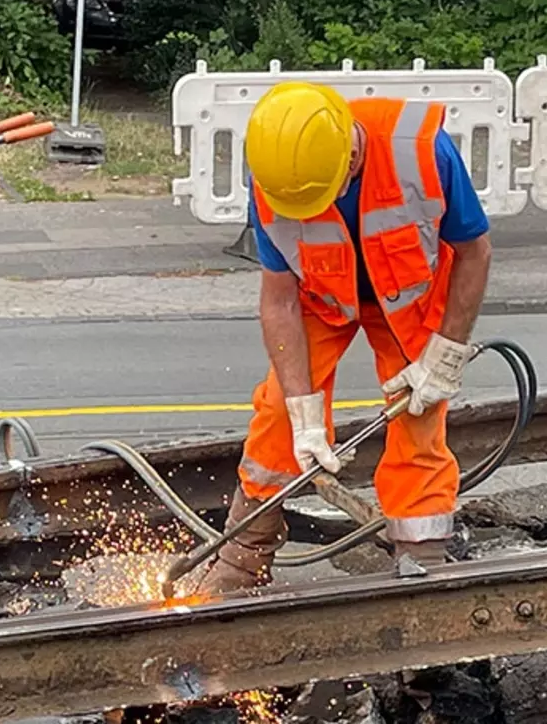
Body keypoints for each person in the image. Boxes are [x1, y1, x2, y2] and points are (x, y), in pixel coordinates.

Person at [194, 81, 493, 594]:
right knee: (276, 419)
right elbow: (279, 299)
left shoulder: (422, 152)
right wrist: (302, 412)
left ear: (353, 154)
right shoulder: (277, 176)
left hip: (408, 297)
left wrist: (446, 352)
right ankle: (244, 555)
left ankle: (421, 553)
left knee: (418, 417)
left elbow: (474, 252)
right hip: (322, 298)